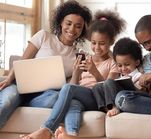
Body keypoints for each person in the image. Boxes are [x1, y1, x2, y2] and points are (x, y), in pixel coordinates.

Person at [20, 9, 126, 139]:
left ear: (111, 42)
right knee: (73, 103)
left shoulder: (113, 63)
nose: (97, 48)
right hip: (83, 96)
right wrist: (76, 72)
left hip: (97, 98)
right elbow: (75, 84)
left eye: (102, 43)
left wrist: (94, 71)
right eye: (94, 43)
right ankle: (73, 137)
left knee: (68, 89)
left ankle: (46, 129)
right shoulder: (85, 57)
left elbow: (108, 87)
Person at [0, 0, 92, 128]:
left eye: (78, 26)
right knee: (8, 101)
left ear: (82, 30)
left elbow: (69, 90)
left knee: (56, 98)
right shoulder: (43, 36)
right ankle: (17, 100)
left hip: (45, 95)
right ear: (61, 22)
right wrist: (9, 78)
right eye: (68, 23)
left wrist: (77, 73)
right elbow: (23, 60)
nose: (72, 29)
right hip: (20, 86)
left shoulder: (79, 55)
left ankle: (23, 103)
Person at [92, 37, 143, 117]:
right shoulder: (119, 75)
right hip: (118, 95)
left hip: (128, 98)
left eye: (127, 65)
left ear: (137, 62)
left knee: (109, 81)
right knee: (96, 87)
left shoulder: (138, 76)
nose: (123, 69)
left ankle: (114, 107)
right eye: (119, 65)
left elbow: (140, 92)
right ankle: (107, 109)